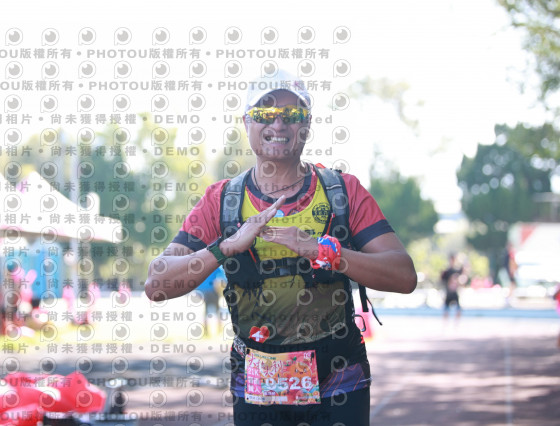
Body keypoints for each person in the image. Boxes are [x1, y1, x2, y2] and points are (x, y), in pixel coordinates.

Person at [144, 69, 417, 425]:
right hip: (257, 388)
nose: (278, 123)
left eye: (291, 114)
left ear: (307, 124)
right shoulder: (221, 200)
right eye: (264, 113)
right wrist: (224, 248)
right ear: (247, 122)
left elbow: (404, 275)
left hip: (338, 381)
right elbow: (156, 284)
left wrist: (323, 251)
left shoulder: (342, 191)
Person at [441, 253, 463, 322]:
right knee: (446, 309)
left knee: (458, 309)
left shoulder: (457, 270)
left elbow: (462, 278)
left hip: (455, 292)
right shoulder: (446, 271)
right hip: (448, 293)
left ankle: (456, 324)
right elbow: (443, 281)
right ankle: (445, 324)